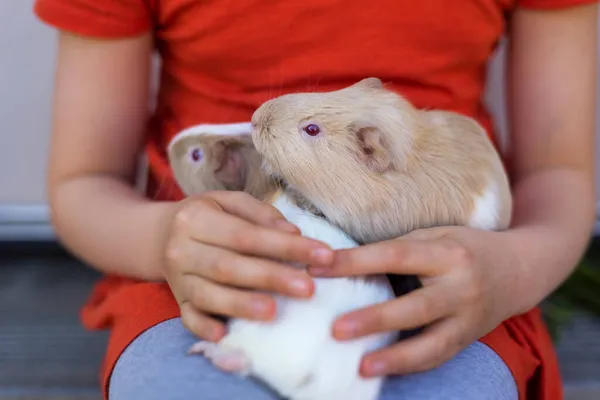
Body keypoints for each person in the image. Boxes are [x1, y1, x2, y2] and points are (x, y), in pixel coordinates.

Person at [33, 0, 597, 399]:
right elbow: (84, 182)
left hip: (450, 293)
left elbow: (560, 168)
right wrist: (165, 238)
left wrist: (515, 265)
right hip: (196, 277)